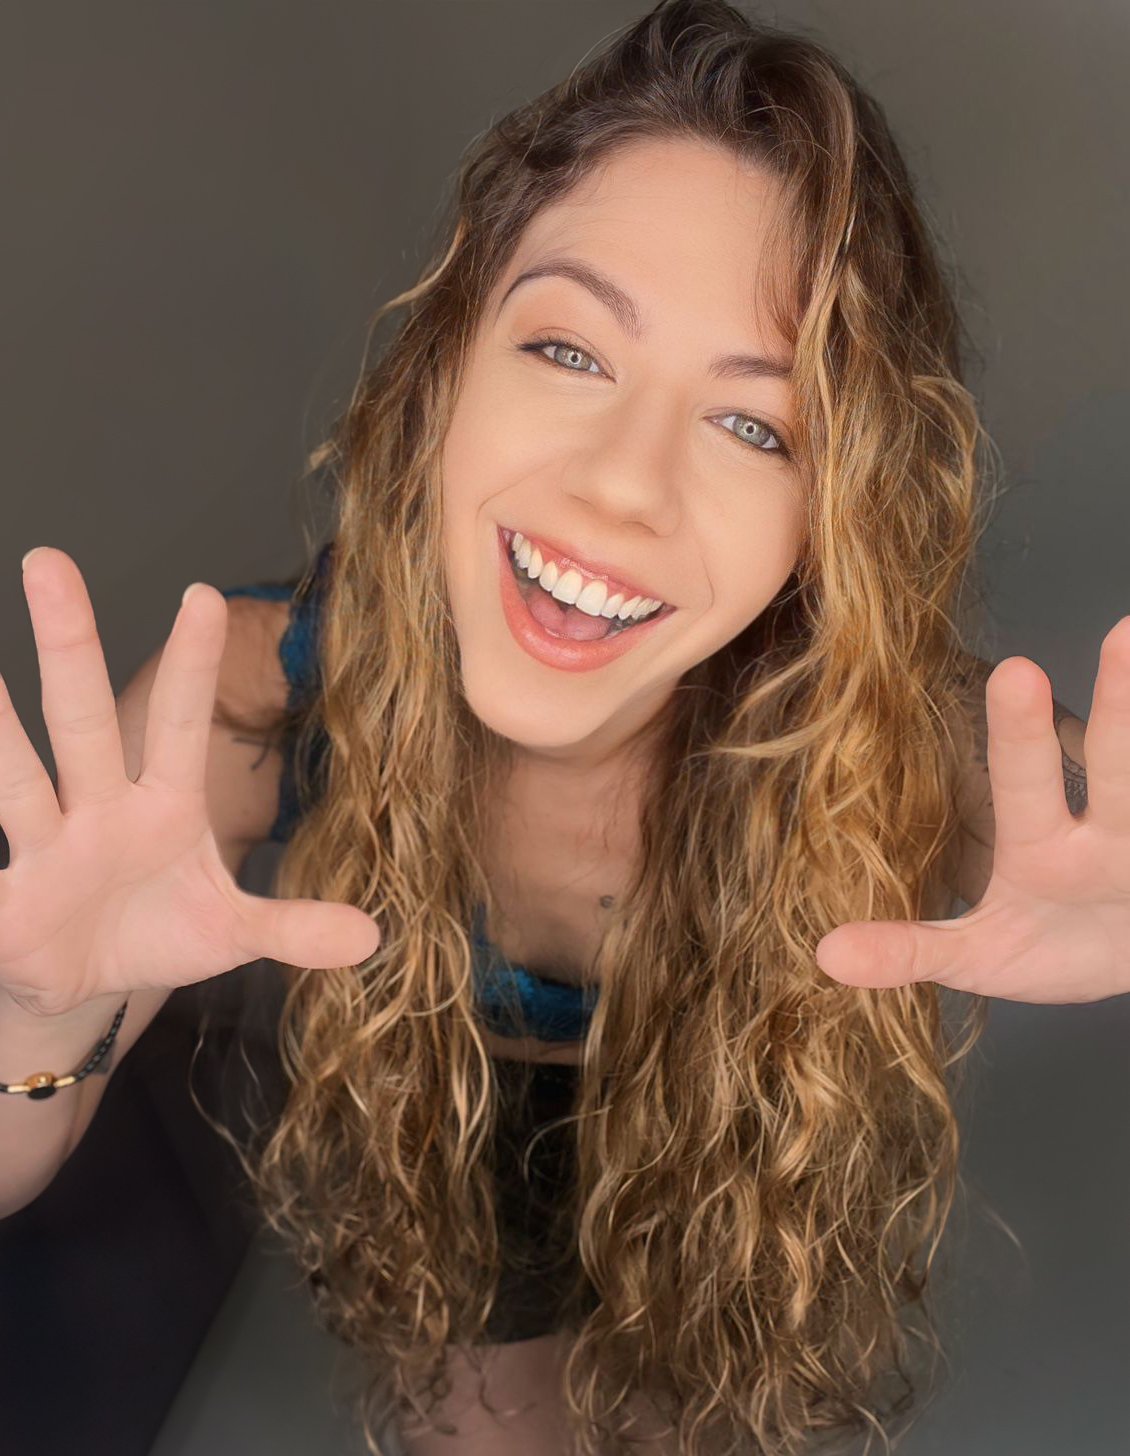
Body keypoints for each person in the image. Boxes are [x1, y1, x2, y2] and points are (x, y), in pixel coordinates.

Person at [0, 2, 1122, 1453]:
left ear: (828, 516)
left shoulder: (902, 736)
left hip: (731, 1155)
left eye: (756, 426)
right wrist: (36, 1014)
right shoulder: (261, 692)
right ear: (448, 366)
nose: (624, 487)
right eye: (570, 352)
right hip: (459, 1147)